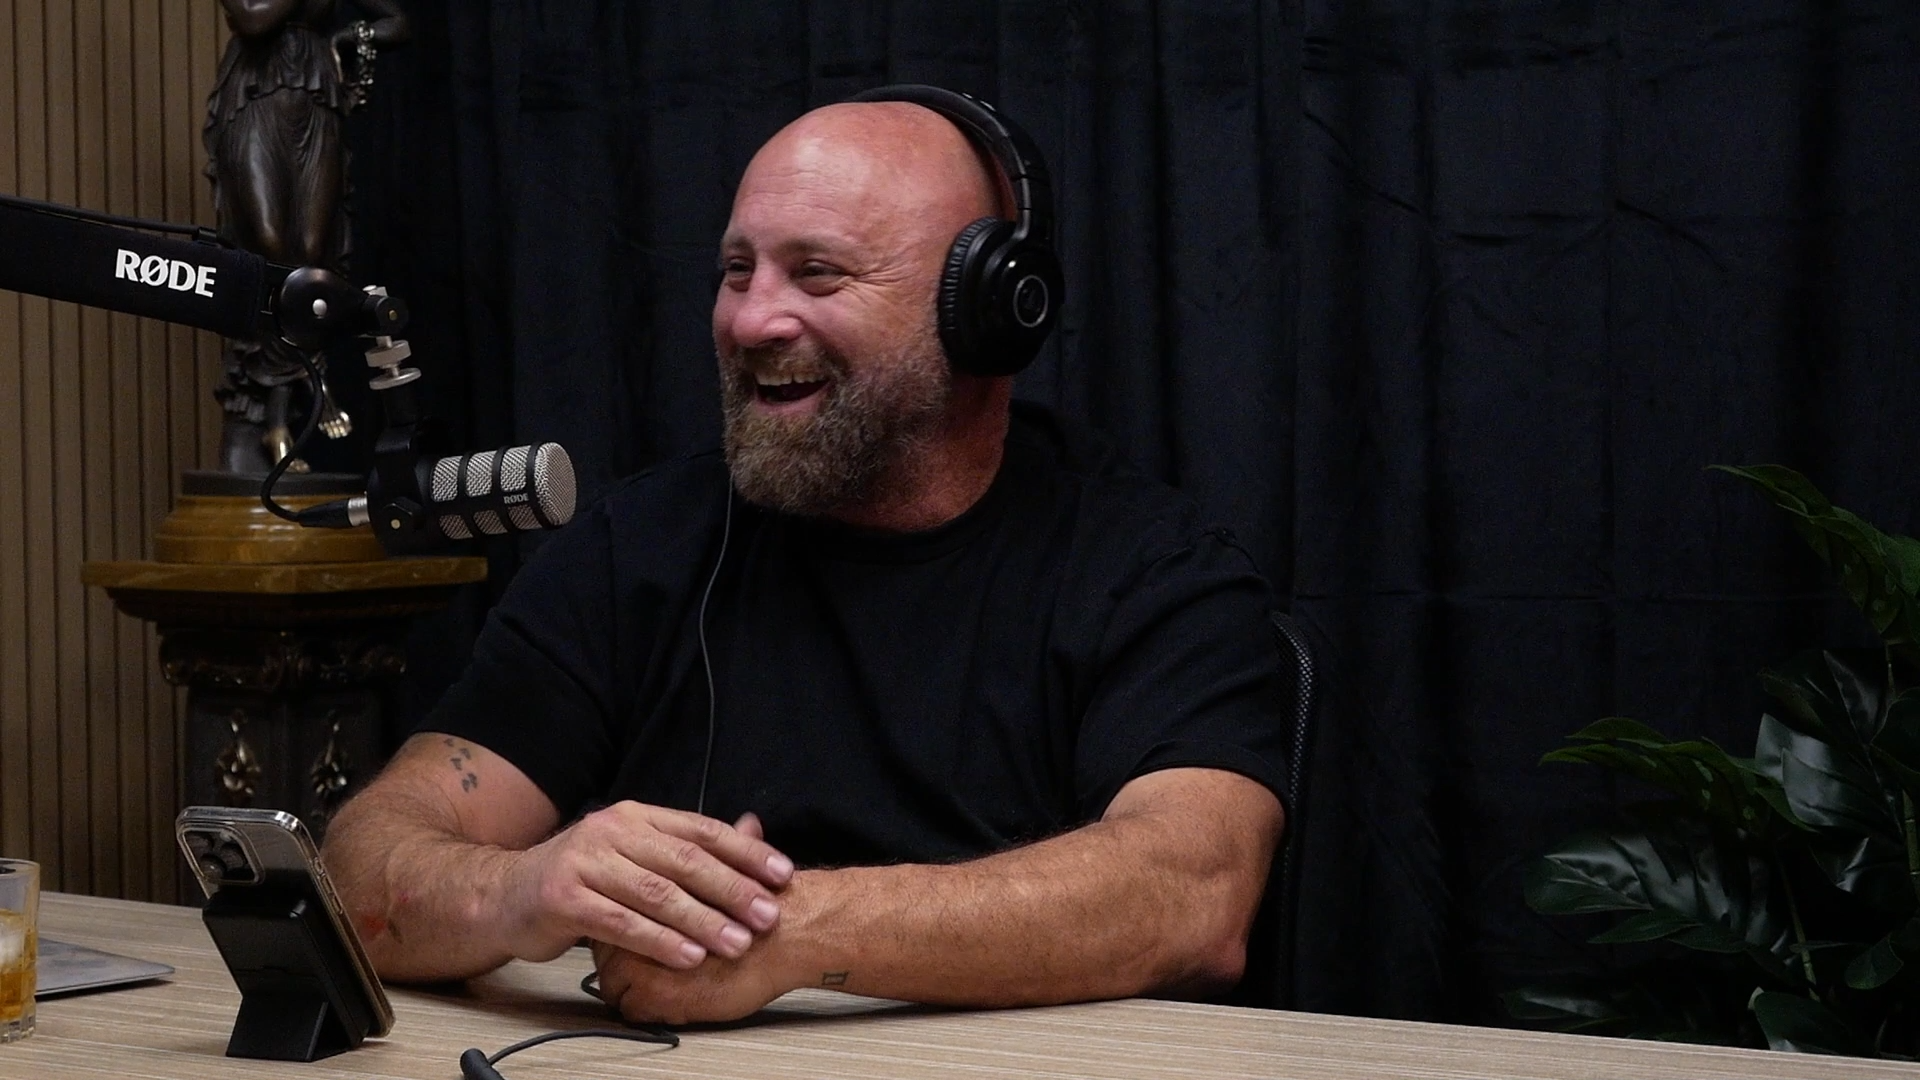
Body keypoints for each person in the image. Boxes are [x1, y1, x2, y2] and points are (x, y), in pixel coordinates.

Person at [323, 87, 1290, 1026]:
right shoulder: (638, 549)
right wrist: (519, 890)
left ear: (987, 309)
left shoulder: (1156, 574)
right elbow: (364, 865)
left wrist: (781, 932)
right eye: (737, 270)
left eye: (817, 273)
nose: (750, 321)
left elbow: (1192, 896)